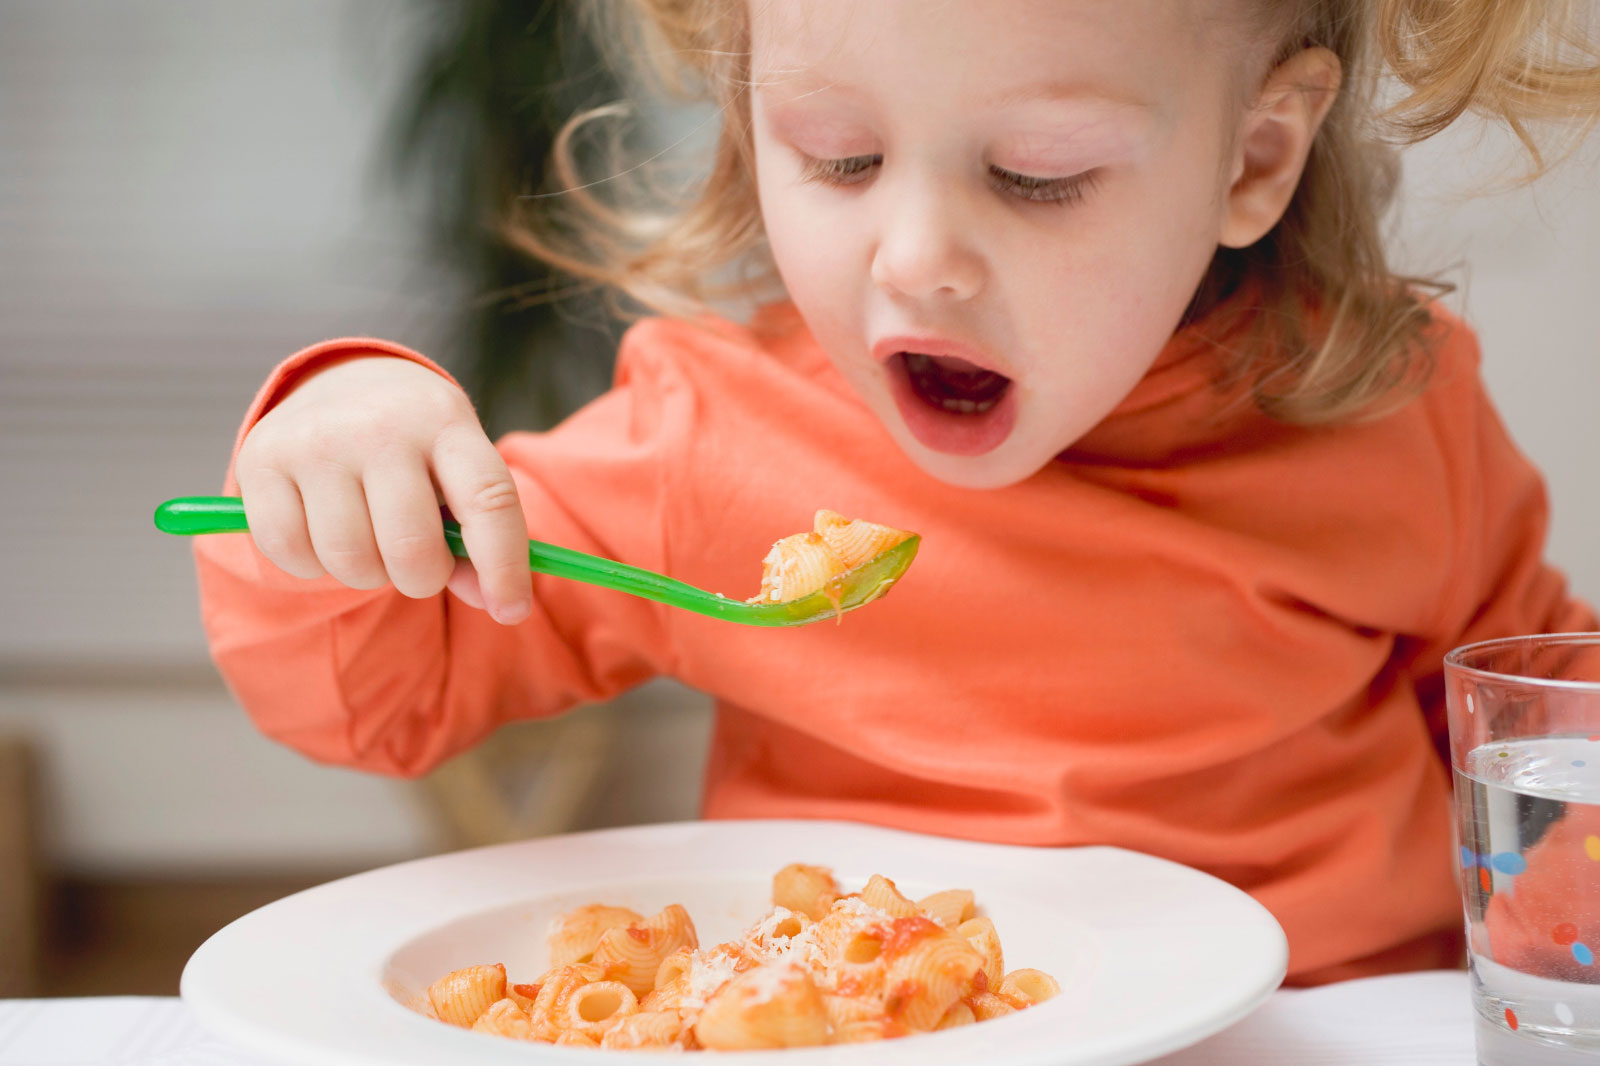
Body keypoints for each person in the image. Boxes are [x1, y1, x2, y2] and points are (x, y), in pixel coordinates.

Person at [191, 0, 1600, 985]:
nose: (917, 254)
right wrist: (343, 460)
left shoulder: (1400, 416)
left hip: (1319, 1026)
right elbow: (374, 688)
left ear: (1255, 157)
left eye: (1038, 175)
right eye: (839, 157)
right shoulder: (715, 441)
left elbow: (1544, 740)